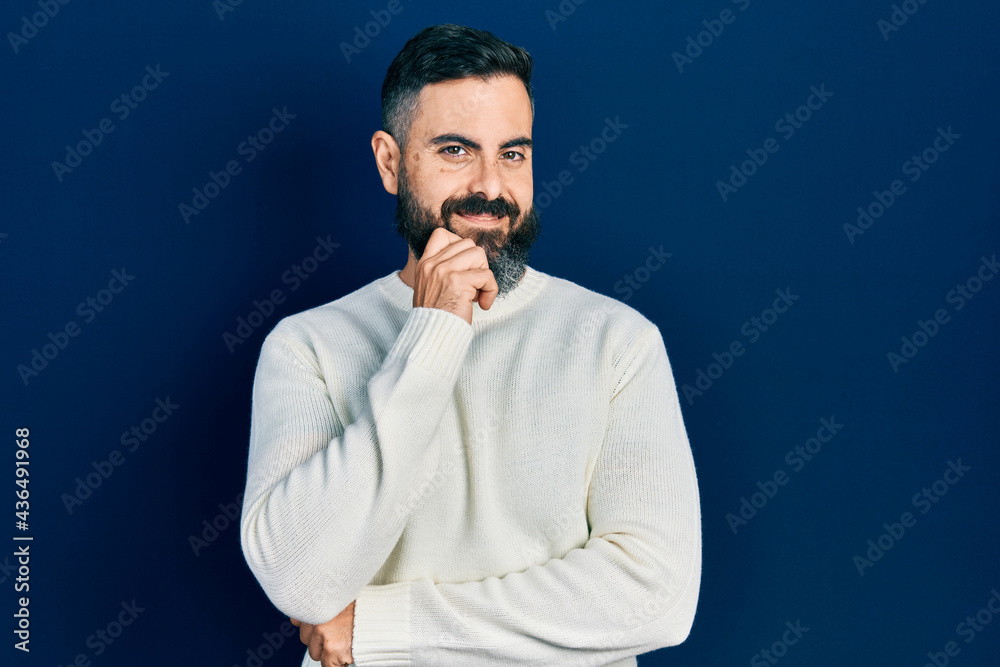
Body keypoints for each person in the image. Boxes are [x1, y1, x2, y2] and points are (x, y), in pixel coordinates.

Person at [239, 23, 701, 667]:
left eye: (513, 153)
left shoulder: (617, 342)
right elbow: (299, 578)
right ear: (391, 163)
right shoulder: (307, 348)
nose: (491, 188)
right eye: (456, 150)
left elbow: (657, 598)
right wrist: (433, 333)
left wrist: (379, 626)